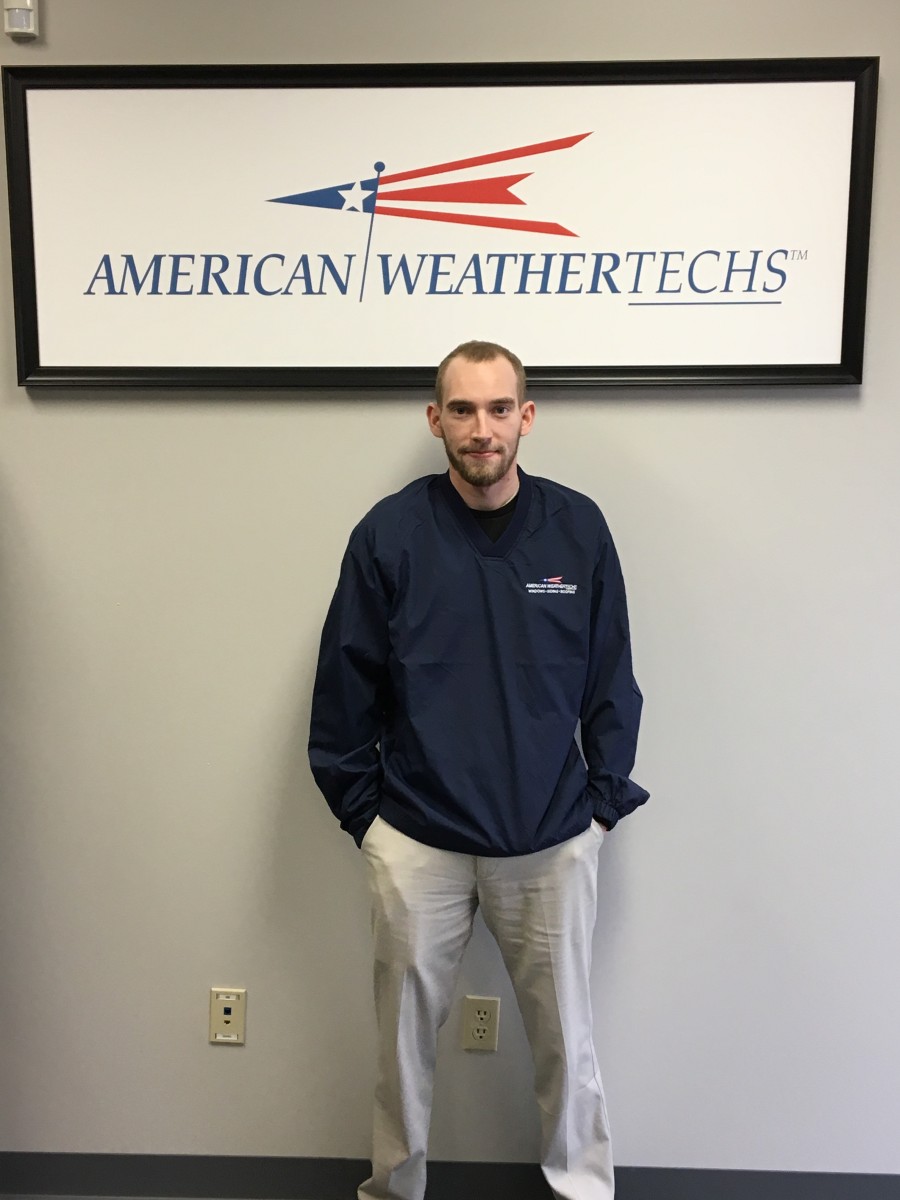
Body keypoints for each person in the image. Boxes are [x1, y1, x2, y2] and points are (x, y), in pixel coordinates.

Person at [308, 340, 648, 1200]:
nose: (482, 428)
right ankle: (394, 1190)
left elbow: (612, 679)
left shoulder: (577, 529)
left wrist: (600, 810)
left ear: (526, 417)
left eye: (499, 408)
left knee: (568, 1043)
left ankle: (581, 1190)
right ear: (436, 420)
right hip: (418, 839)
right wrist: (366, 820)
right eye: (462, 409)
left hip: (550, 839)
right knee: (400, 1050)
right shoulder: (389, 535)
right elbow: (344, 687)